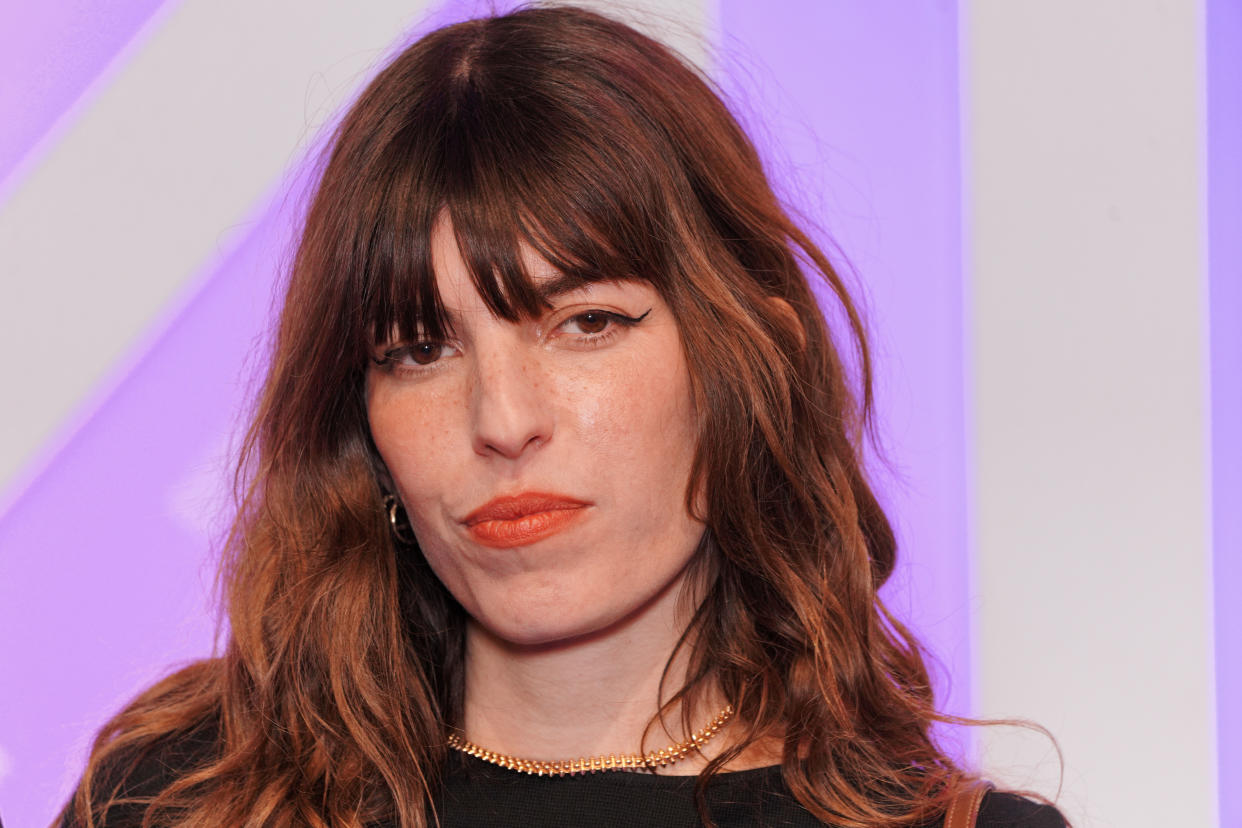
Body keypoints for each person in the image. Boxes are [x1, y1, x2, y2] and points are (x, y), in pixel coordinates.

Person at [59, 5, 1066, 827]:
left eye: (585, 322)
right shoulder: (179, 799)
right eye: (418, 349)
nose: (502, 418)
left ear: (753, 359)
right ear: (359, 421)